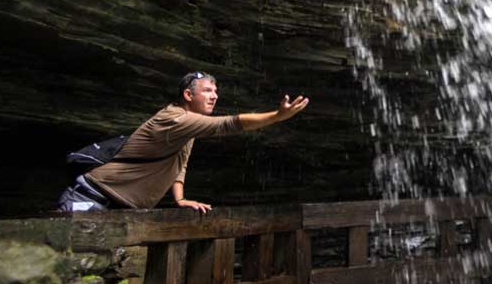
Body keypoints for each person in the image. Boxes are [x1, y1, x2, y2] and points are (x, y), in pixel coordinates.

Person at [56, 72, 310, 214]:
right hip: (92, 199)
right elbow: (228, 125)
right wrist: (278, 116)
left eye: (216, 91)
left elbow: (180, 166)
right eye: (208, 91)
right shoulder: (176, 119)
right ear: (188, 95)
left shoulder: (188, 129)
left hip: (120, 208)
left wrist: (180, 199)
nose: (215, 96)